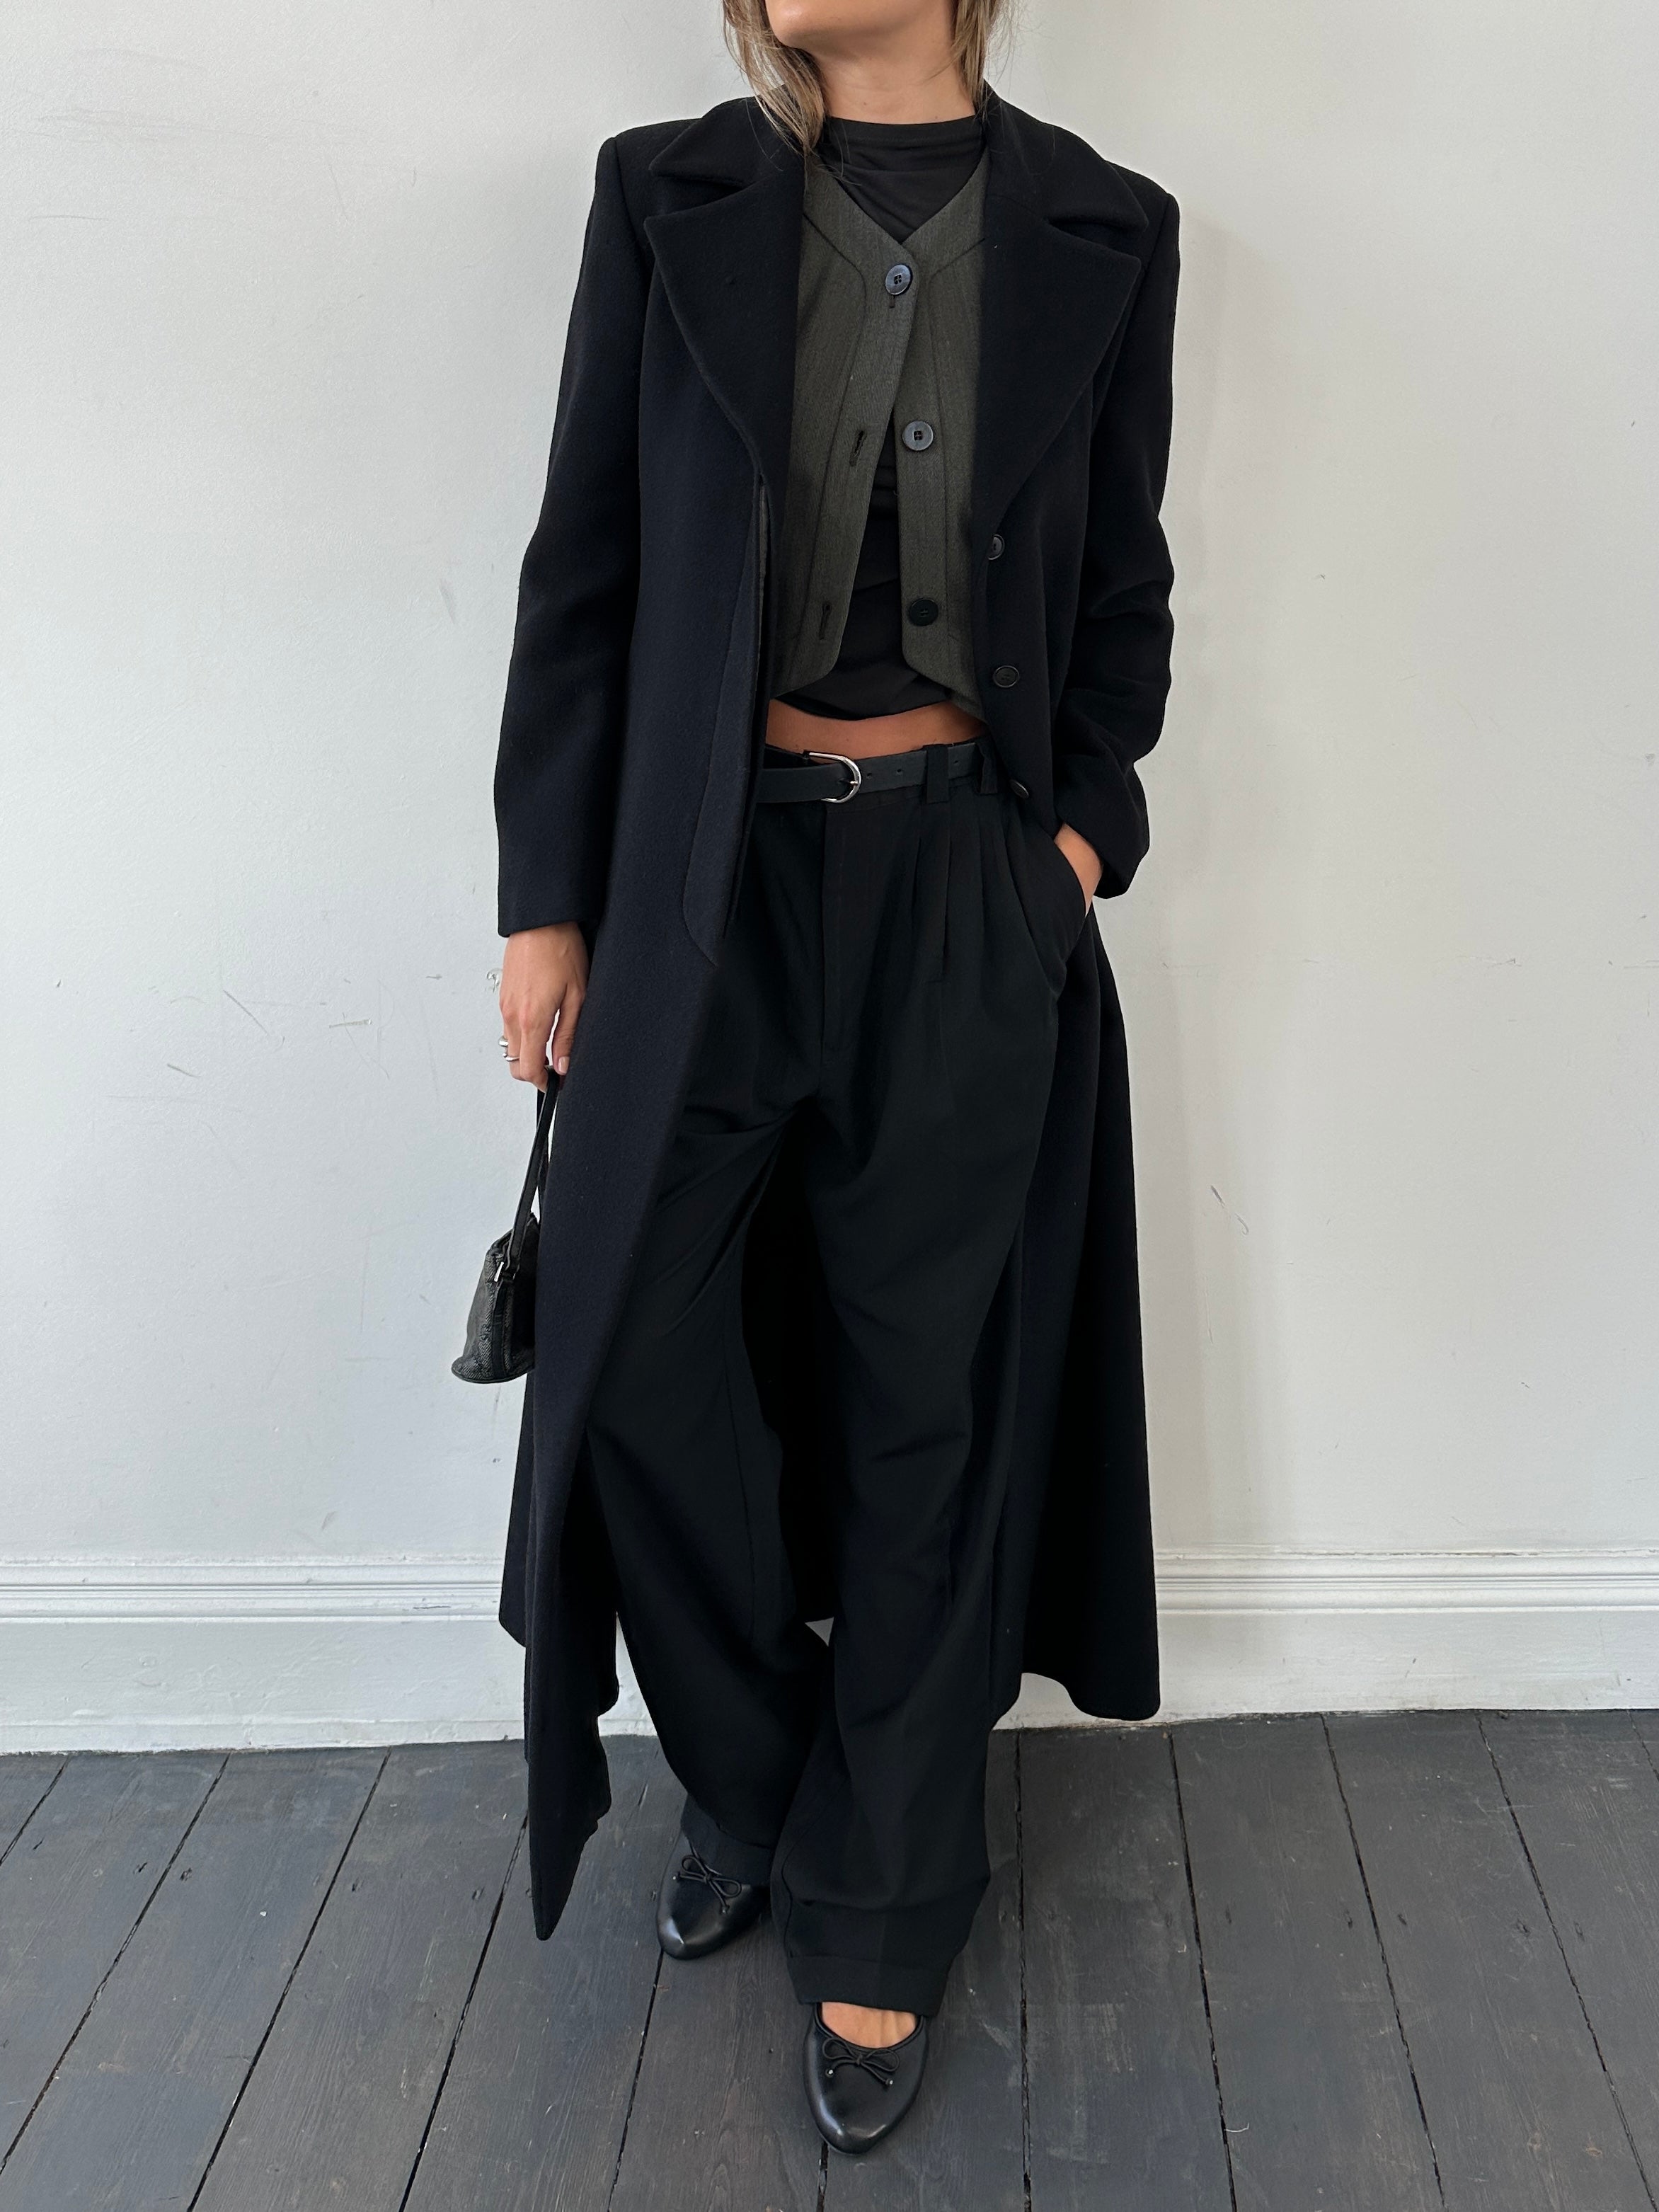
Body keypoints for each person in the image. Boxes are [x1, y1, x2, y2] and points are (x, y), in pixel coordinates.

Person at [491, 0, 1178, 2154]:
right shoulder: (667, 193)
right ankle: (766, 1770)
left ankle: (882, 1900)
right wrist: (546, 902)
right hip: (699, 888)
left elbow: (1128, 594)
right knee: (632, 1357)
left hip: (966, 887)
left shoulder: (1108, 227)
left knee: (925, 1408)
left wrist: (1071, 854)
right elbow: (586, 564)